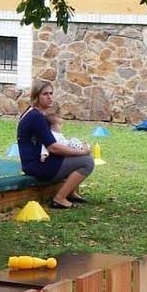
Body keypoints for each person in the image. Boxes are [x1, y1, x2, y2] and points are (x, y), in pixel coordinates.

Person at [17, 80, 95, 208]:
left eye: (51, 93)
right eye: (45, 94)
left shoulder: (33, 113)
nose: (49, 97)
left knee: (76, 156)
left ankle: (71, 193)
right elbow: (53, 148)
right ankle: (59, 198)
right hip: (37, 166)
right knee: (87, 162)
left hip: (37, 161)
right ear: (36, 96)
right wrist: (82, 152)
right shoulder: (36, 117)